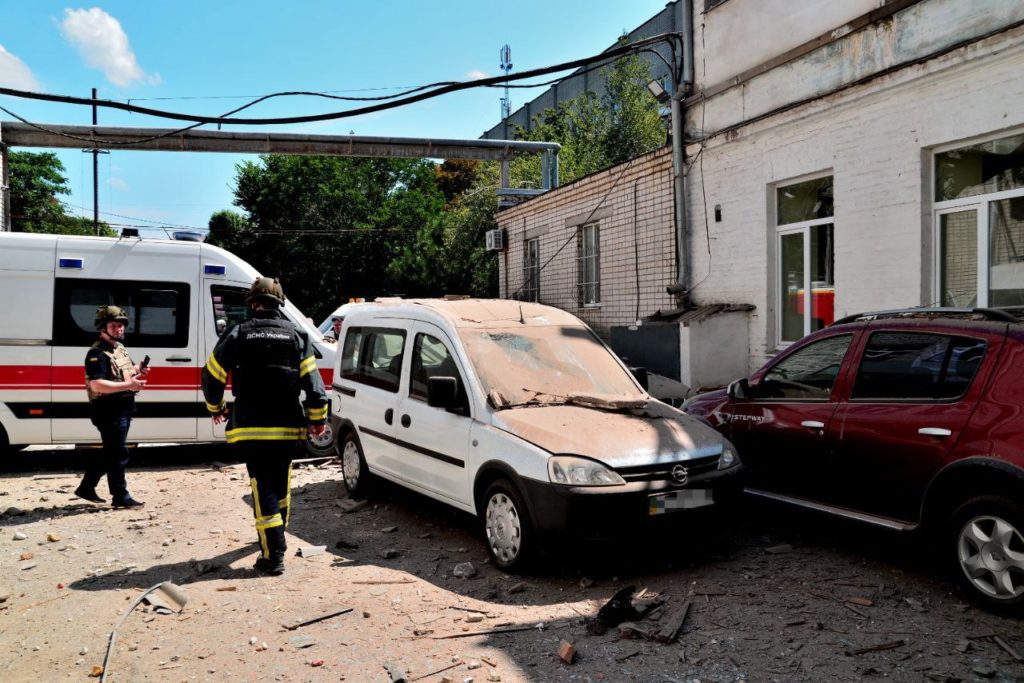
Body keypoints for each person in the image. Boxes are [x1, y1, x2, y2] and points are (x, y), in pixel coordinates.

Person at [201, 277, 328, 576]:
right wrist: (317, 420)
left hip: (251, 425)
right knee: (280, 484)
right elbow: (314, 384)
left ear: (253, 304)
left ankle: (273, 556)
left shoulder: (237, 333)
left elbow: (211, 377)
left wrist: (215, 407)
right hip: (286, 425)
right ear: (278, 304)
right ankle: (276, 537)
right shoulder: (297, 335)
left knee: (263, 487)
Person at [75, 305, 148, 508]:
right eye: (114, 325)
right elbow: (97, 384)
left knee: (112, 451)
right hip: (108, 410)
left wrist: (138, 370)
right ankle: (120, 496)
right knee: (118, 453)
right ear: (103, 327)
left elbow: (124, 372)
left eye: (122, 325)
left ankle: (87, 486)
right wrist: (129, 385)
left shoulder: (118, 348)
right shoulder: (97, 353)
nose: (120, 329)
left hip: (123, 407)